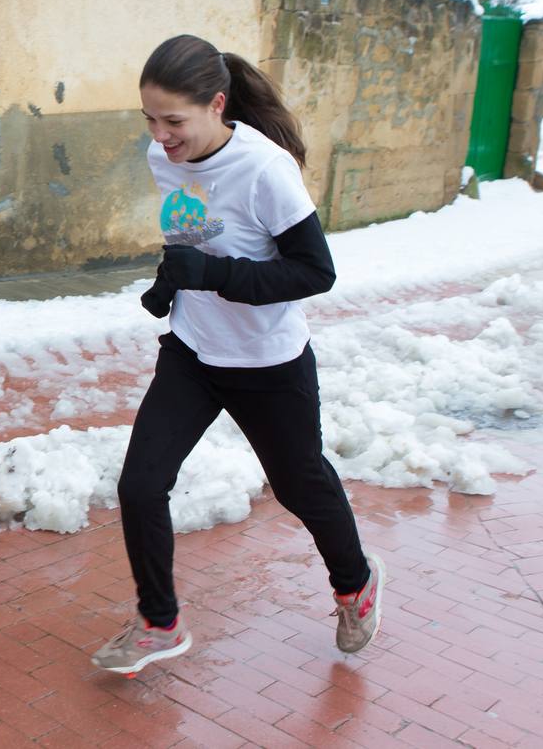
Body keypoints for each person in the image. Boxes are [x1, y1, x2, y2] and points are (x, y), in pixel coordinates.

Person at [93, 34, 383, 675]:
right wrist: (173, 281)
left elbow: (314, 273)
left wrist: (213, 277)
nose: (161, 136)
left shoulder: (266, 169)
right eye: (150, 119)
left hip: (269, 364)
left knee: (299, 485)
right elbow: (191, 230)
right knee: (141, 485)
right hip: (195, 353)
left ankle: (355, 585)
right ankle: (159, 622)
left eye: (174, 121)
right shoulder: (163, 156)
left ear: (217, 104)